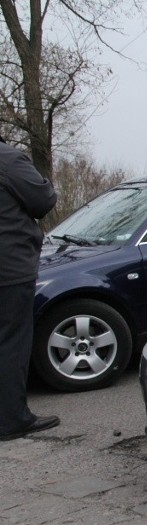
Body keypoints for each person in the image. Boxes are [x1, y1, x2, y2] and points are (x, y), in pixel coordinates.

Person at [0, 134, 59, 441]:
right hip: (8, 269)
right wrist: (45, 182)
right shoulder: (8, 160)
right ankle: (12, 420)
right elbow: (43, 200)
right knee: (11, 342)